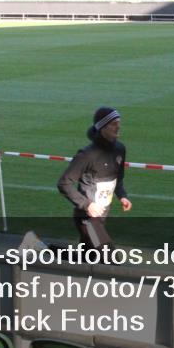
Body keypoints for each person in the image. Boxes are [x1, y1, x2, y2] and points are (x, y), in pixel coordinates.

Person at [56, 106, 132, 250]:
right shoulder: (87, 155)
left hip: (102, 215)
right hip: (87, 218)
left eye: (119, 123)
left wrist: (122, 195)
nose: (118, 127)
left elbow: (118, 178)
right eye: (113, 124)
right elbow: (64, 183)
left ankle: (36, 246)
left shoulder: (120, 149)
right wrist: (88, 205)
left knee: (87, 258)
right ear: (102, 127)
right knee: (110, 258)